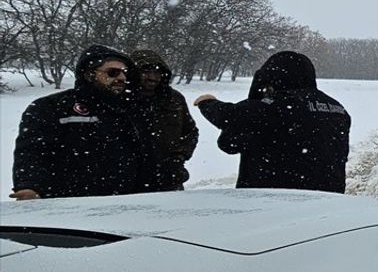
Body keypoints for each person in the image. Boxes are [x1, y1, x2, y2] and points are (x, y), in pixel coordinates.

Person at [193, 51, 350, 193]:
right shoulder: (336, 108)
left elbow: (231, 117)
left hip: (277, 199)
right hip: (329, 198)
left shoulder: (279, 104)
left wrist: (208, 103)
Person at [10, 45, 144, 200]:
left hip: (124, 203)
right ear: (89, 74)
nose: (121, 78)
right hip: (67, 206)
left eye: (125, 73)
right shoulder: (52, 107)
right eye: (112, 72)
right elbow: (32, 152)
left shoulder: (130, 110)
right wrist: (30, 185)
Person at [131, 49, 199, 192]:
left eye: (157, 73)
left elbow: (190, 132)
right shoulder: (120, 99)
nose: (152, 77)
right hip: (129, 180)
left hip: (170, 179)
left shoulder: (174, 99)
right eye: (146, 72)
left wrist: (179, 156)